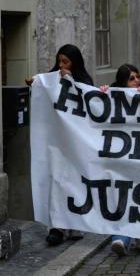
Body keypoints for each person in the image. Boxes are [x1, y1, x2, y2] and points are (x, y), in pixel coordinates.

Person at [32, 44, 93, 246]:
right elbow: (42, 86)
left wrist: (71, 81)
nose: (61, 65)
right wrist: (36, 83)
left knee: (75, 182)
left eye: (65, 61)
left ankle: (75, 223)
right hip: (57, 142)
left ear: (74, 62)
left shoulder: (84, 80)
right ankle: (57, 227)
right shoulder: (52, 77)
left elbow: (91, 104)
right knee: (57, 181)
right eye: (59, 61)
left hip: (76, 143)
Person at [100, 64, 140, 257]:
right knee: (121, 197)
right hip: (119, 159)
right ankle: (121, 237)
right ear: (122, 81)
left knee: (137, 196)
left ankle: (137, 234)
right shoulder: (112, 95)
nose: (136, 81)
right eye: (131, 78)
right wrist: (102, 93)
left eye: (137, 77)